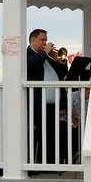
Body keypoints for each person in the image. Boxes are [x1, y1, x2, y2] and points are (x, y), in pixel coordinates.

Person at [26, 28, 66, 164]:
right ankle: (38, 162)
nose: (45, 42)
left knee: (51, 133)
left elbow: (62, 74)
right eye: (42, 40)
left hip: (52, 103)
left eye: (46, 40)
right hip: (37, 102)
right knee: (40, 133)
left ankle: (50, 162)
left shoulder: (45, 56)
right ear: (32, 40)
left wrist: (59, 61)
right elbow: (29, 65)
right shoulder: (28, 54)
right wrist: (45, 52)